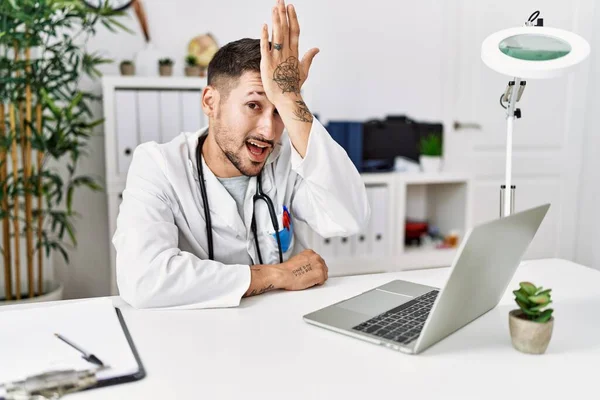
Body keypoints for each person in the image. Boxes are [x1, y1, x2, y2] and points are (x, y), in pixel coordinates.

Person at [113, 0, 369, 309]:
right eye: (253, 105)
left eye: (278, 113)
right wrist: (274, 275)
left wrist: (290, 98)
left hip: (283, 333)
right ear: (211, 102)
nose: (269, 130)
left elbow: (348, 218)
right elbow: (144, 280)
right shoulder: (158, 165)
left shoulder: (284, 160)